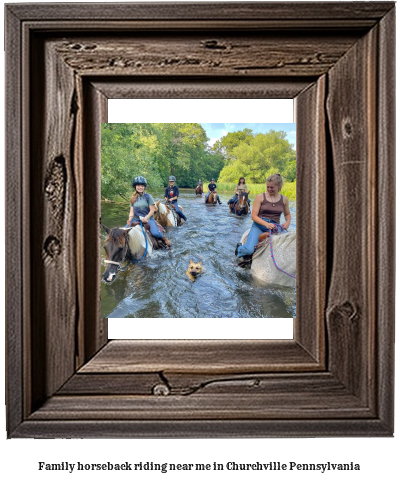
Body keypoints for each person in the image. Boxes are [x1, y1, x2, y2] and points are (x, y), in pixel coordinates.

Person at [235, 174, 291, 262]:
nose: (269, 189)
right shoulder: (260, 197)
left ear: (279, 186)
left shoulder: (284, 199)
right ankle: (240, 249)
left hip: (275, 227)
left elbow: (287, 214)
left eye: (272, 187)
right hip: (259, 225)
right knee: (249, 250)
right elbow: (253, 216)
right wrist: (266, 224)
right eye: (267, 187)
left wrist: (287, 223)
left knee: (289, 248)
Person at [126, 176, 171, 246]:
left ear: (144, 187)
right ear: (135, 187)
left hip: (148, 218)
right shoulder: (132, 198)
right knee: (122, 232)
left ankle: (164, 238)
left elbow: (152, 210)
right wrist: (129, 219)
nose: (140, 187)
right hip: (135, 218)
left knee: (155, 233)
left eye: (142, 186)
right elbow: (131, 212)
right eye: (138, 185)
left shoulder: (148, 197)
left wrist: (147, 217)